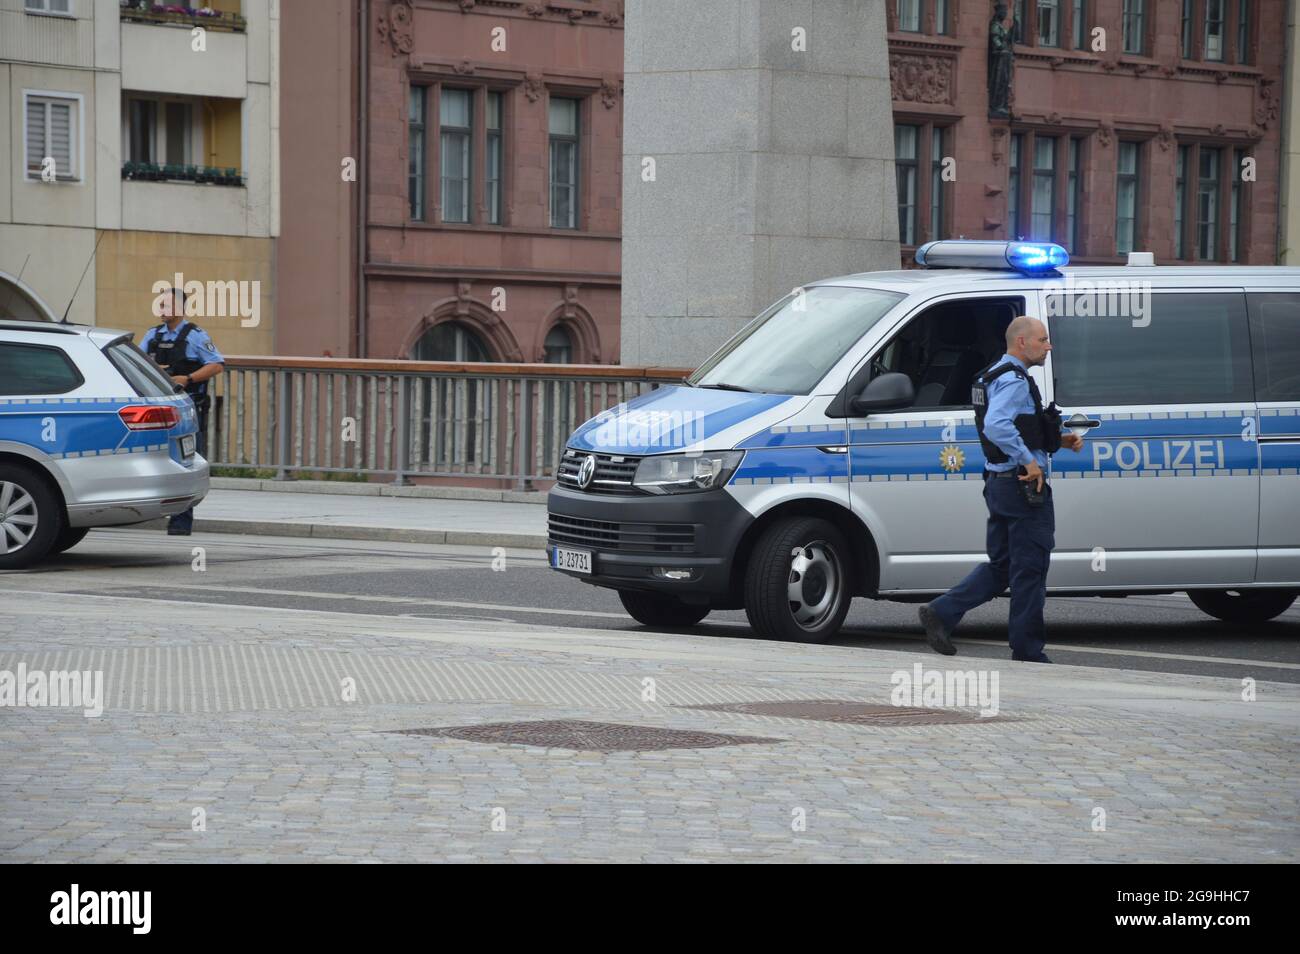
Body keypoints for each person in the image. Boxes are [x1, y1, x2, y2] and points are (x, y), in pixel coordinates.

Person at [918, 316, 1083, 662]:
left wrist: (1060, 441)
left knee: (1003, 566)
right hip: (1022, 486)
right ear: (1022, 343)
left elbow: (1019, 427)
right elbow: (997, 425)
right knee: (1030, 569)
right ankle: (1027, 650)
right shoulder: (1015, 380)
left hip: (999, 482)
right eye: (1042, 340)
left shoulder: (993, 373)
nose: (1048, 346)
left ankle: (943, 611)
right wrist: (1029, 461)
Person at [140, 288, 225, 536]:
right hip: (157, 408)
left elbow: (216, 364)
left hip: (188, 408)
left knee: (185, 461)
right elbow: (137, 361)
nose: (162, 310)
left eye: (166, 305)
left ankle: (180, 522)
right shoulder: (152, 335)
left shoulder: (195, 335)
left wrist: (187, 378)